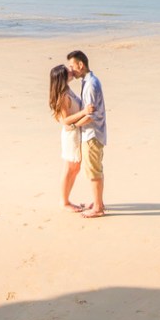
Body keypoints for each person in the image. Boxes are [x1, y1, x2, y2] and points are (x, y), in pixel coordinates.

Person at [65, 49, 107, 218]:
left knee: (93, 171)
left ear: (80, 65)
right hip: (96, 133)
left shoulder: (90, 85)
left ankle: (98, 207)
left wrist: (73, 126)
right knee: (96, 169)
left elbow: (89, 116)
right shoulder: (90, 81)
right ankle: (99, 202)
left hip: (92, 135)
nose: (70, 70)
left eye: (72, 66)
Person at [49, 64, 93, 212]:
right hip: (71, 135)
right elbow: (65, 120)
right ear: (62, 78)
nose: (70, 71)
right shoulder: (62, 96)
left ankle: (66, 199)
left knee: (75, 167)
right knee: (69, 167)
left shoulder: (67, 90)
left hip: (76, 132)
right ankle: (64, 201)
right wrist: (83, 113)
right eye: (67, 71)